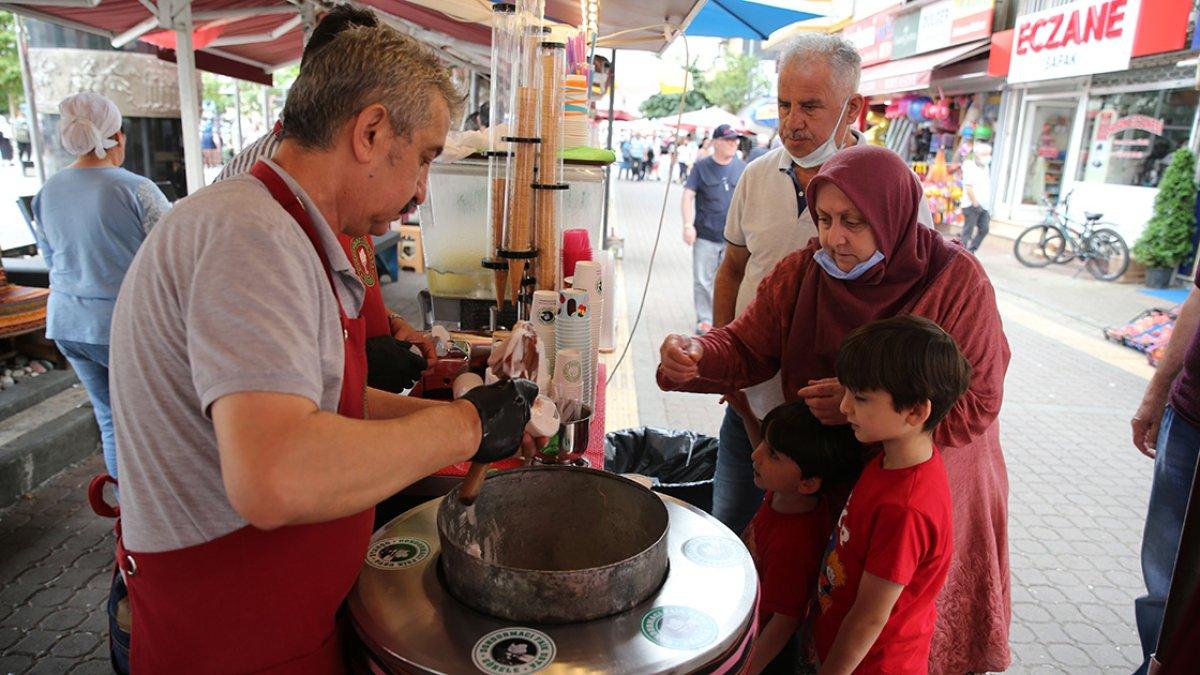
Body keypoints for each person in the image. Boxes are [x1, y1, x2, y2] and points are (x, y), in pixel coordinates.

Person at [107, 24, 542, 672]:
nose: (424, 189)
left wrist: (467, 426)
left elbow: (322, 405)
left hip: (281, 617)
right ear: (370, 133)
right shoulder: (249, 236)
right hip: (231, 635)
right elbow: (274, 473)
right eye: (423, 156)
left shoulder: (286, 229)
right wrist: (463, 423)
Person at [657, 145, 1011, 674]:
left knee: (896, 622)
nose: (834, 238)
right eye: (824, 219)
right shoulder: (806, 271)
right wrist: (697, 354)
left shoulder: (955, 280)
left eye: (853, 222)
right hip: (838, 488)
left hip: (924, 477)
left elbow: (979, 402)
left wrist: (859, 403)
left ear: (893, 216)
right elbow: (748, 346)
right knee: (834, 597)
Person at [711, 34, 933, 540]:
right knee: (732, 531)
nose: (793, 121)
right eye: (785, 103)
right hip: (751, 402)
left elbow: (912, 316)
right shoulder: (756, 175)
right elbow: (732, 269)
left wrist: (861, 392)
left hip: (840, 420)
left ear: (852, 107)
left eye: (811, 106)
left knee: (818, 556)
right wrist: (726, 361)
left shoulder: (892, 188)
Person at [215, 5, 432, 371]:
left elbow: (334, 284)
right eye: (421, 158)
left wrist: (384, 323)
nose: (420, 192)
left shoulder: (342, 177)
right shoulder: (264, 190)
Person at [815, 314, 969, 673]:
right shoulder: (890, 457)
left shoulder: (906, 508)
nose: (844, 407)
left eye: (861, 398)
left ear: (916, 410)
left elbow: (870, 618)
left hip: (874, 664)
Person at [31, 92, 170, 486]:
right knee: (155, 426)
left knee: (110, 420)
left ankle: (127, 515)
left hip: (68, 324)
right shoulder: (135, 188)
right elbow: (175, 252)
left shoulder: (48, 191)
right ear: (119, 137)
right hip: (124, 327)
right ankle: (154, 520)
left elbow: (51, 257)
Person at [741, 401, 861, 675]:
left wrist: (745, 669)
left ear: (808, 483)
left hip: (765, 650)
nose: (755, 455)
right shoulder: (787, 494)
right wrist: (746, 414)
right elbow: (771, 460)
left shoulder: (794, 544)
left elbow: (785, 622)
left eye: (772, 454)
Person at [1131, 276, 1200, 673]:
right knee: (1164, 578)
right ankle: (1153, 664)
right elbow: (1199, 297)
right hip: (1191, 420)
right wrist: (1157, 392)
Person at [683, 124, 746, 335]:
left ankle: (726, 320)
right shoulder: (702, 167)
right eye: (728, 140)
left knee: (730, 278)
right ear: (716, 142)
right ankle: (705, 319)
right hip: (706, 234)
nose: (733, 143)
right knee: (702, 279)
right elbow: (688, 194)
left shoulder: (742, 167)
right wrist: (687, 225)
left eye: (735, 140)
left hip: (734, 237)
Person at [960, 142, 992, 252]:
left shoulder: (986, 167)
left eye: (988, 154)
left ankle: (971, 251)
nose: (987, 157)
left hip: (984, 205)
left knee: (984, 229)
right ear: (977, 155)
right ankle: (960, 254)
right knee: (967, 232)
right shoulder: (969, 166)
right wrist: (975, 202)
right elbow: (969, 187)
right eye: (984, 154)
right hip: (971, 204)